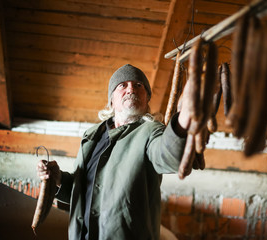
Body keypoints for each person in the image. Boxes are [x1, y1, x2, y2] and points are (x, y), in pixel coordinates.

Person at [37, 64, 191, 240]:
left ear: (147, 98)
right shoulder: (91, 136)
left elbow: (168, 157)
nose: (131, 88)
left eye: (138, 85)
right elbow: (83, 190)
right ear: (111, 100)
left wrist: (182, 123)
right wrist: (58, 179)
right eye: (122, 85)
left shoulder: (152, 132)